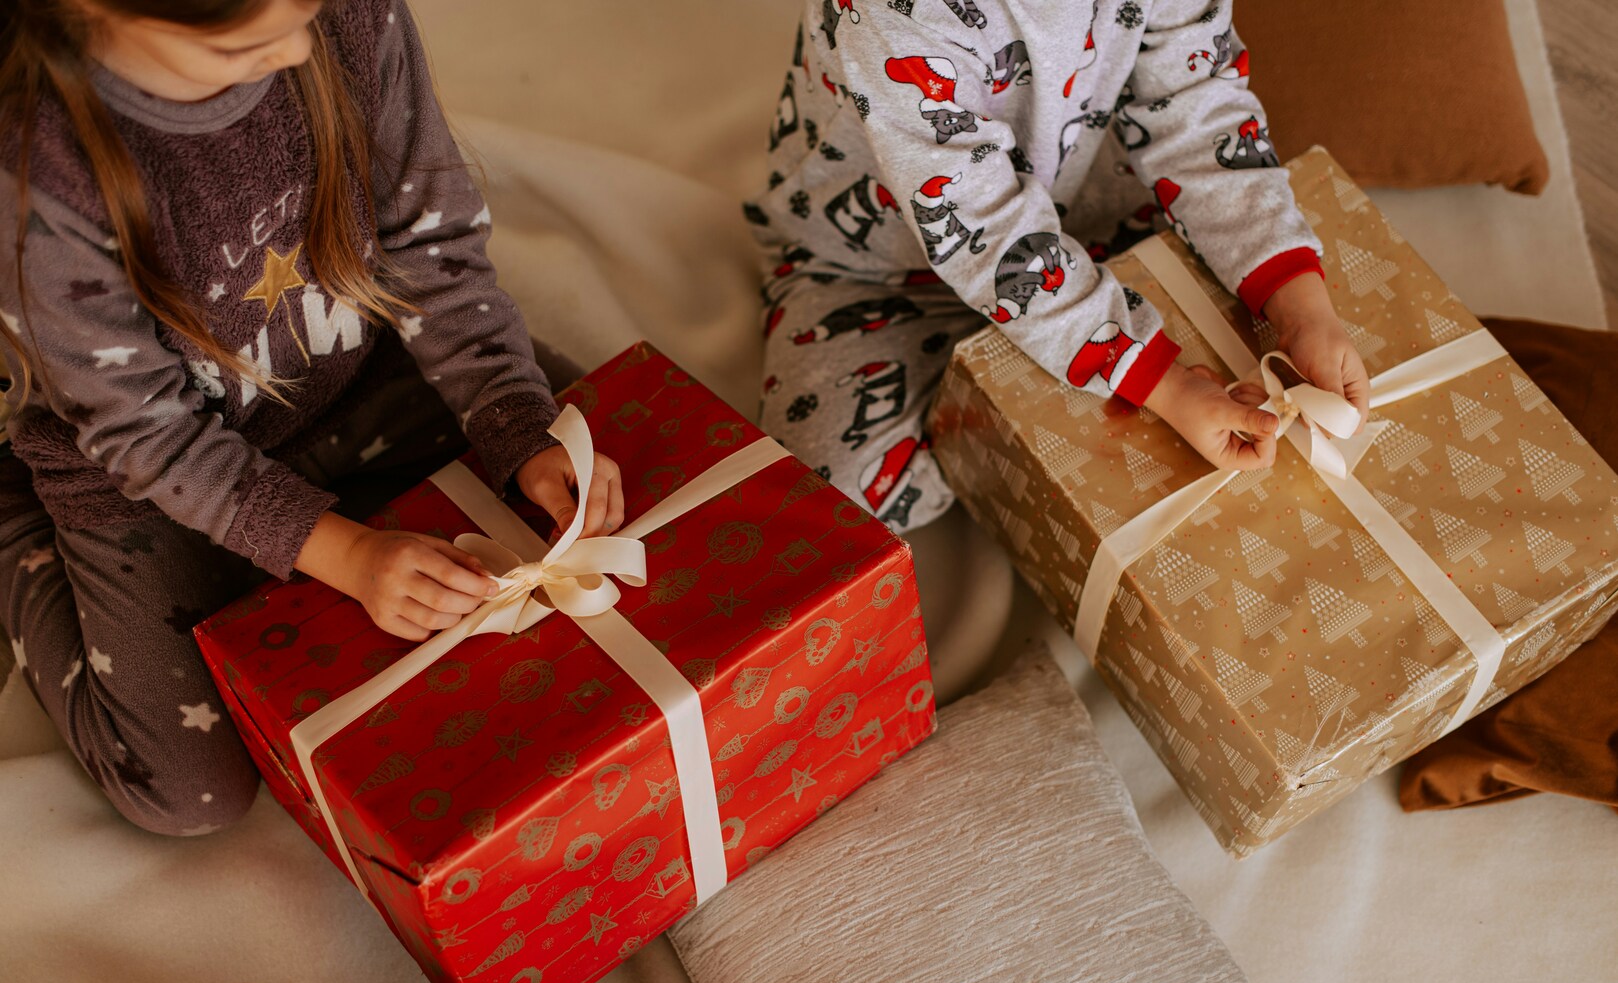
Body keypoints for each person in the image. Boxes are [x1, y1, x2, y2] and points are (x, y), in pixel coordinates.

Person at [0, 0, 622, 835]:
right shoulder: (34, 172)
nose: (300, 50)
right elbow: (146, 434)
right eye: (247, 45)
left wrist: (515, 419)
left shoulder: (349, 16)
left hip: (366, 376)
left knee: (619, 449)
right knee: (191, 796)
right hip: (143, 473)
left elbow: (433, 248)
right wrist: (348, 555)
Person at [749, 0, 1370, 531]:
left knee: (1183, 382)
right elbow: (985, 230)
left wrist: (1300, 307)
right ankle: (1021, 414)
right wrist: (1166, 386)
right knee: (824, 507)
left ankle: (1055, 383)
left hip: (1094, 214)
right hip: (876, 271)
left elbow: (1197, 103)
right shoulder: (891, 14)